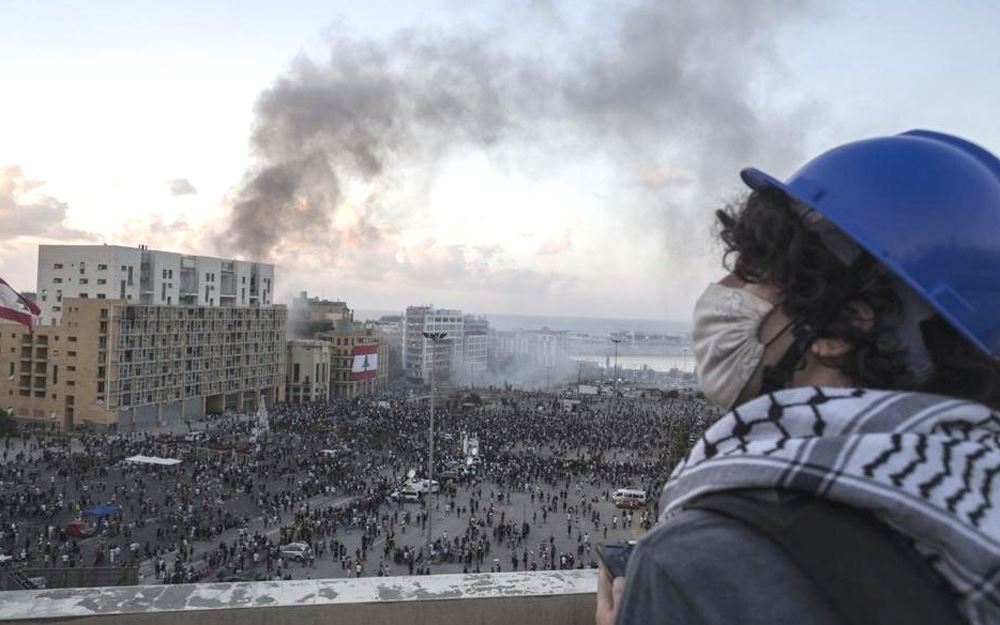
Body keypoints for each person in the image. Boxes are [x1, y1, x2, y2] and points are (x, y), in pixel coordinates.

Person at [598, 130, 1000, 625]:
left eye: (752, 269)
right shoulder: (978, 503)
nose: (724, 288)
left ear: (840, 325)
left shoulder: (699, 566)